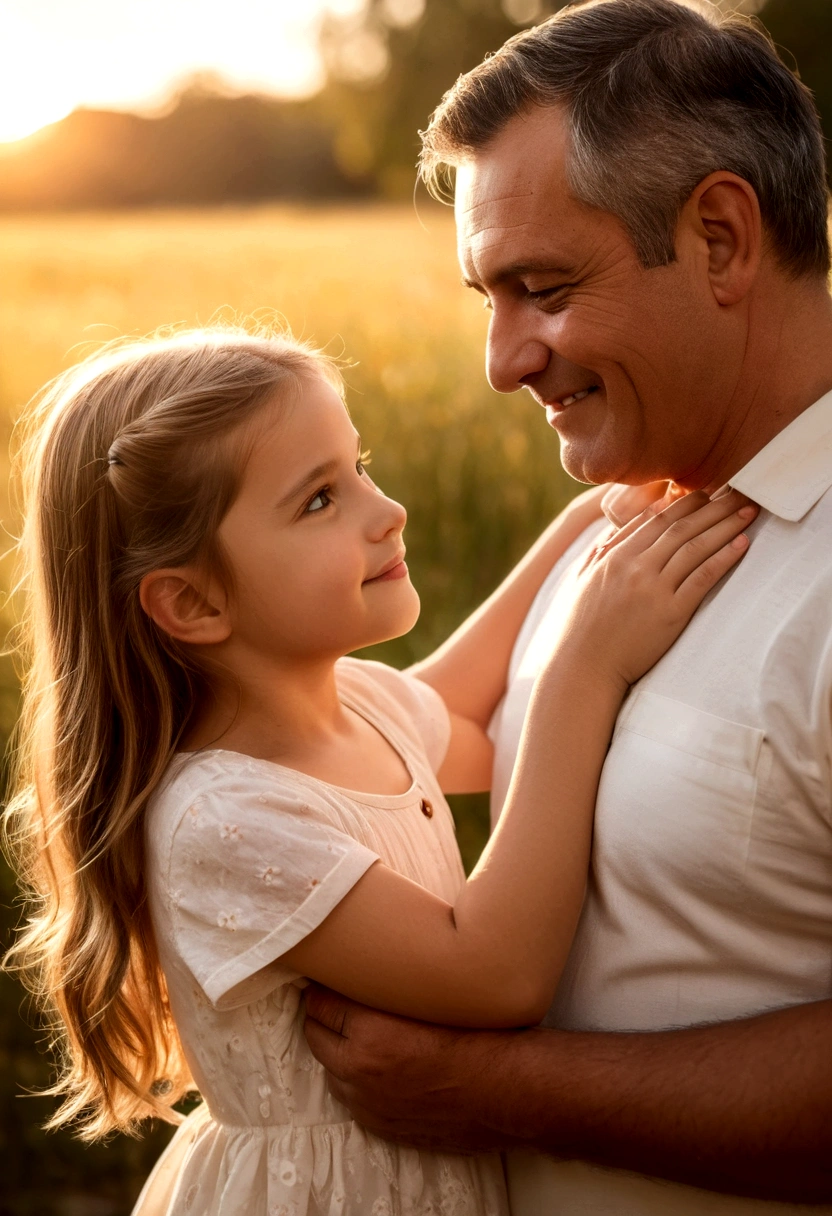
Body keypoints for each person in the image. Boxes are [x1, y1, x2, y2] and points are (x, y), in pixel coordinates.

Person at [2, 325, 752, 1216]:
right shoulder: (223, 818)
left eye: (359, 465)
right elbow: (495, 975)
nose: (384, 509)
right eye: (320, 499)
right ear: (192, 601)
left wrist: (603, 510)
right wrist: (586, 666)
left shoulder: (355, 704)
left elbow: (466, 707)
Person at [301, 0, 832, 1211]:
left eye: (540, 287)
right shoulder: (614, 518)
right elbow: (409, 729)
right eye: (487, 297)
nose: (502, 362)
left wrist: (500, 1089)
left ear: (717, 238)